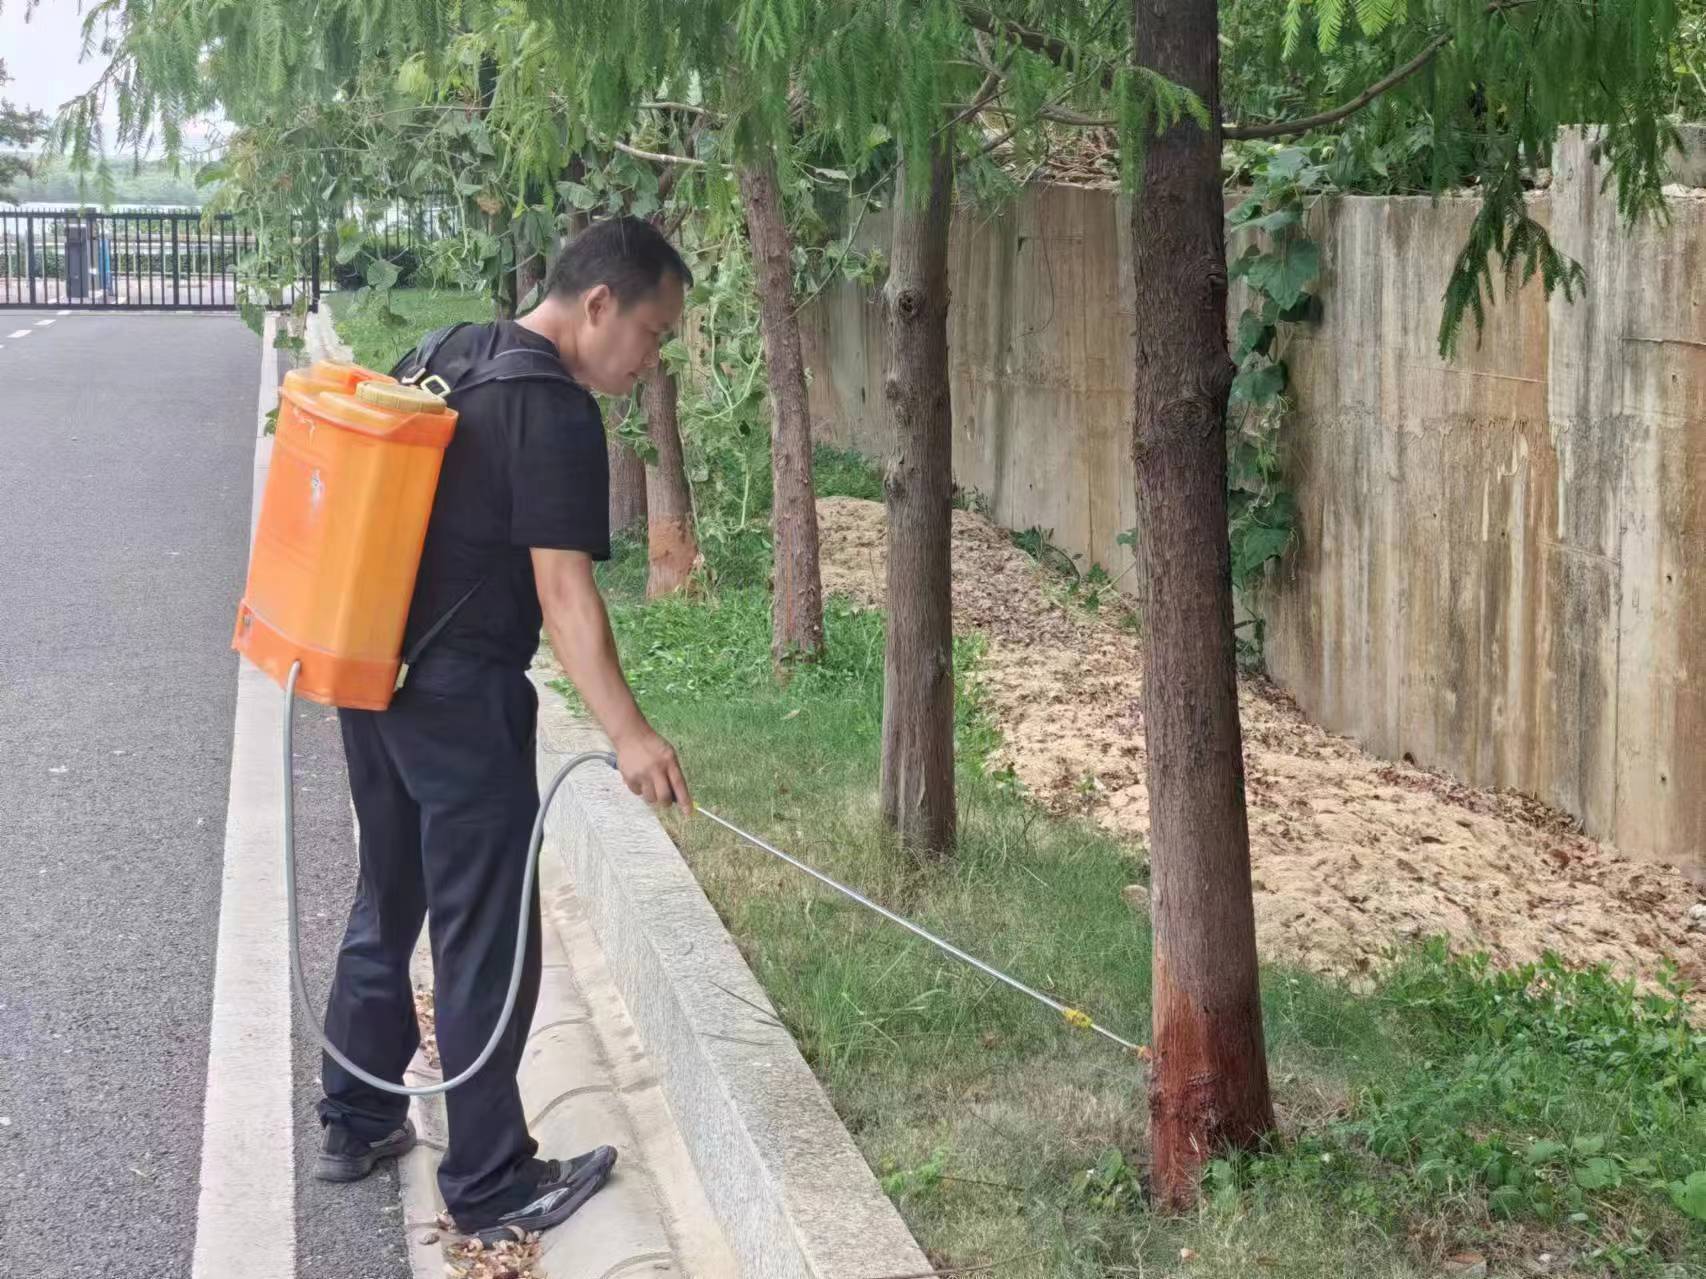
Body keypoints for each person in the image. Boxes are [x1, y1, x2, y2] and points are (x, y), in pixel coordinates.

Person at [313, 217, 695, 1243]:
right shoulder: (555, 411)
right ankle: (488, 1183)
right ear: (601, 303)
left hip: (370, 673)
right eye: (654, 333)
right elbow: (563, 595)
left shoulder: (444, 352)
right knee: (485, 940)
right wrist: (631, 734)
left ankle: (353, 1117)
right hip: (460, 698)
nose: (651, 359)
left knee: (387, 895)